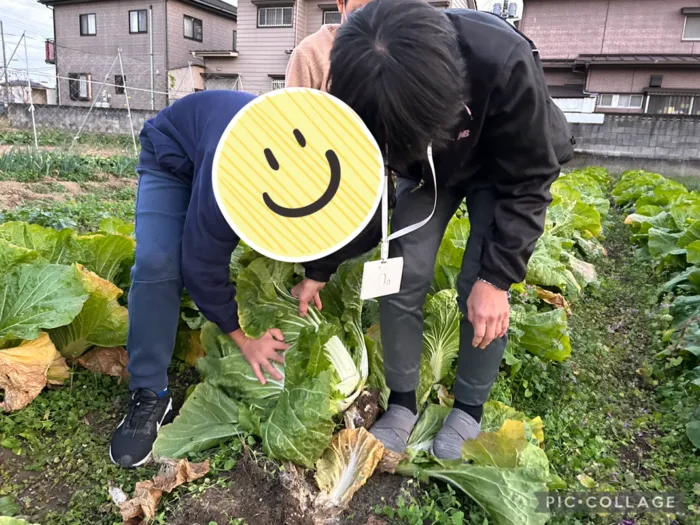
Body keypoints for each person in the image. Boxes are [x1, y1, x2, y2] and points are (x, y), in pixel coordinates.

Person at [327, 0, 570, 460]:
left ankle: (468, 409)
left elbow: (530, 179)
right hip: (427, 170)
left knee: (480, 287)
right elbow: (360, 170)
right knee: (403, 270)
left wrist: (497, 279)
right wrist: (320, 266)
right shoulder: (361, 72)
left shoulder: (502, 60)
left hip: (501, 169)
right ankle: (401, 403)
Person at [109, 89, 381, 468]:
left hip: (239, 158)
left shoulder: (337, 165)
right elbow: (201, 266)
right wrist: (244, 339)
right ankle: (148, 391)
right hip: (174, 155)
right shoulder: (237, 179)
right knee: (160, 262)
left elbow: (351, 225)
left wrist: (318, 273)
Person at [284, 0, 373, 91]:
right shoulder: (309, 52)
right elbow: (291, 103)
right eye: (359, 11)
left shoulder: (387, 48)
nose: (371, 20)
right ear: (341, 3)